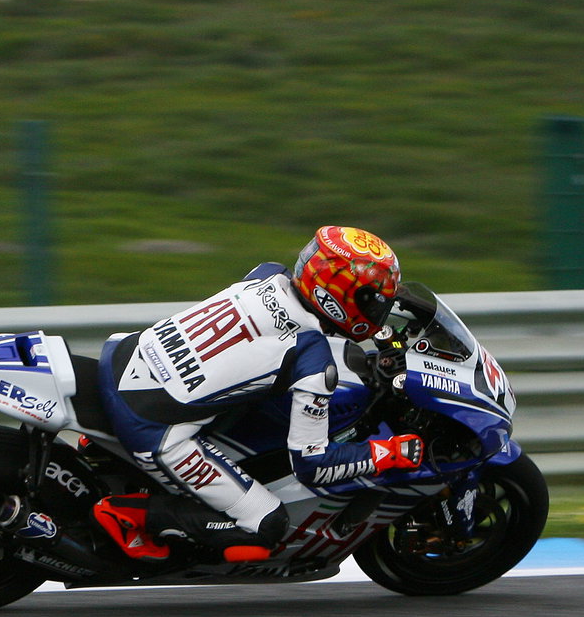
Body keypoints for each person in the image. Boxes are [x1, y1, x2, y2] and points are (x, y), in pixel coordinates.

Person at [90, 225, 425, 562]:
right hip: (151, 424)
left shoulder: (266, 274)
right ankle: (130, 514)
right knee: (267, 525)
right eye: (374, 300)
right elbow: (311, 464)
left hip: (126, 357)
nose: (379, 310)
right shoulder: (312, 360)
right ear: (340, 300)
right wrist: (390, 453)